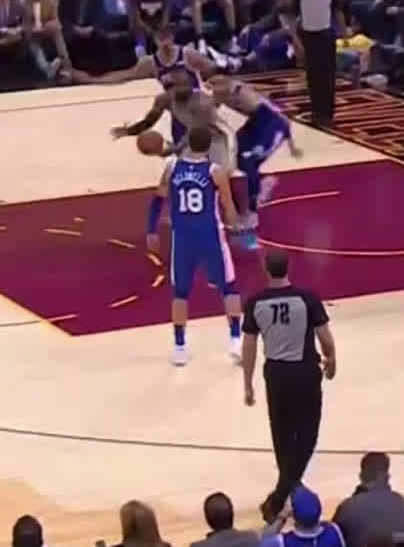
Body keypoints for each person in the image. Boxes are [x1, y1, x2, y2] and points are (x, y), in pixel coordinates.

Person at [241, 249, 336, 521]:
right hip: (305, 372)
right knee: (307, 435)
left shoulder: (256, 303)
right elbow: (325, 338)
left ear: (266, 269)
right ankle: (281, 497)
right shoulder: (307, 298)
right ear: (289, 267)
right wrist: (332, 359)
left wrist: (248, 384)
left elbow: (249, 347)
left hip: (276, 375)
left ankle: (284, 495)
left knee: (282, 437)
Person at [150, 126, 243, 365]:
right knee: (229, 288)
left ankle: (179, 347)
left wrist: (151, 230)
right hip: (210, 235)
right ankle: (235, 340)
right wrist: (238, 230)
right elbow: (229, 208)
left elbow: (158, 199)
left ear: (188, 142)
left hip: (182, 237)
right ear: (209, 146)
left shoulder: (172, 167)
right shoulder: (215, 171)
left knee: (180, 293)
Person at [208, 72, 303, 248]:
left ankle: (252, 212)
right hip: (254, 124)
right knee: (236, 157)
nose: (213, 90)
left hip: (271, 125)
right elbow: (212, 109)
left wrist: (292, 146)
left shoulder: (243, 93)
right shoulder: (221, 94)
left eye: (215, 86)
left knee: (250, 161)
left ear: (225, 83)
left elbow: (279, 116)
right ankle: (262, 181)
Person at [75, 26, 214, 140]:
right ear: (155, 40)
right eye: (161, 39)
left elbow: (213, 67)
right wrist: (92, 80)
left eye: (167, 38)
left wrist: (209, 82)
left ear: (172, 38)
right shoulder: (150, 64)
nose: (165, 43)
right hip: (178, 114)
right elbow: (124, 76)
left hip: (198, 108)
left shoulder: (187, 54)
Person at [113, 74, 234, 172]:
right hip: (192, 138)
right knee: (183, 173)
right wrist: (129, 131)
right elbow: (149, 121)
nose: (185, 89)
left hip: (215, 138)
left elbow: (197, 131)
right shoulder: (164, 99)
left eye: (187, 85)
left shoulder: (201, 102)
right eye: (180, 86)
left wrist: (174, 149)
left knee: (217, 175)